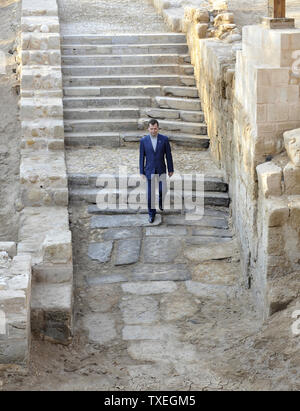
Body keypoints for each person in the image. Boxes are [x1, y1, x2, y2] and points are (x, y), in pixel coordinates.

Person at [139, 119, 174, 223]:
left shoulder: (164, 139)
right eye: (151, 129)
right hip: (149, 170)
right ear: (148, 129)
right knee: (150, 195)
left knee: (163, 190)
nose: (153, 131)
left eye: (155, 129)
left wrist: (171, 169)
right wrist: (141, 171)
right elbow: (142, 157)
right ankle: (151, 214)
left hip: (161, 169)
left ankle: (160, 202)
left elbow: (168, 155)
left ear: (158, 128)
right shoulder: (144, 141)